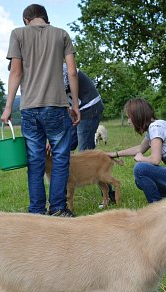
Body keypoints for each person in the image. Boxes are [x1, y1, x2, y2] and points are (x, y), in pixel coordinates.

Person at [1, 4, 80, 217]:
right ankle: (58, 208)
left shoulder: (17, 34)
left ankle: (36, 211)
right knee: (61, 158)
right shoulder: (62, 34)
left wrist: (8, 107)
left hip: (29, 109)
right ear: (46, 18)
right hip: (56, 106)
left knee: (35, 161)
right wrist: (74, 105)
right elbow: (72, 72)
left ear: (26, 19)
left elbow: (15, 73)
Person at [107, 98, 166, 203]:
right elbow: (140, 148)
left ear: (138, 116)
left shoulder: (155, 127)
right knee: (140, 181)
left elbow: (155, 159)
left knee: (140, 169)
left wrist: (141, 158)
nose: (128, 121)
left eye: (129, 117)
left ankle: (156, 207)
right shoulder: (156, 126)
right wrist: (115, 154)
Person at [62, 64, 115, 206]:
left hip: (89, 108)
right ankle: (62, 196)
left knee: (84, 153)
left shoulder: (58, 69)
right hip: (74, 111)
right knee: (64, 147)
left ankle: (109, 195)